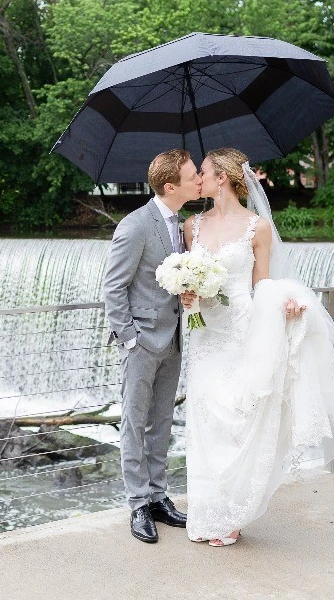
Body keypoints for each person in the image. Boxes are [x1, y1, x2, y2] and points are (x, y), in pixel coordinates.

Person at [181, 147, 334, 547]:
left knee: (237, 418)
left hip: (241, 331)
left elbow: (261, 283)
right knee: (205, 421)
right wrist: (187, 293)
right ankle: (206, 512)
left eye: (205, 172)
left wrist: (287, 304)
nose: (199, 179)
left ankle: (232, 514)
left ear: (223, 179)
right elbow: (187, 276)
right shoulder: (191, 225)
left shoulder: (257, 227)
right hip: (204, 333)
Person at [103, 148, 201, 544]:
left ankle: (159, 497)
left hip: (174, 339)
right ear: (171, 185)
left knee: (161, 421)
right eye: (193, 174)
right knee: (134, 421)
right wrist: (130, 339)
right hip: (142, 342)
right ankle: (137, 504)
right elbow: (113, 286)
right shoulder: (135, 225)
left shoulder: (183, 226)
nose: (199, 179)